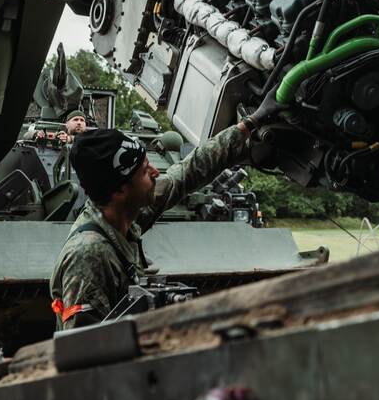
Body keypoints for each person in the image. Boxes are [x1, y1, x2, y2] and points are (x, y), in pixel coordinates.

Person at [49, 96, 284, 328]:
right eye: (143, 171)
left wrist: (250, 124)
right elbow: (84, 350)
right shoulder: (87, 256)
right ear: (120, 190)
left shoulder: (124, 213)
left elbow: (188, 172)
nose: (155, 172)